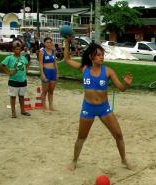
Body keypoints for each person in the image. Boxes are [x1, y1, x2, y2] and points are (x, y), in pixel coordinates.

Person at [63, 37, 133, 170]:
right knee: (81, 137)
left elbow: (121, 88)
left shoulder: (108, 71)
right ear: (91, 57)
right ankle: (74, 161)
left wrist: (126, 84)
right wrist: (67, 42)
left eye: (103, 55)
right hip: (88, 108)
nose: (102, 57)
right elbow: (67, 59)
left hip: (103, 108)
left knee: (118, 135)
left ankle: (124, 160)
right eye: (99, 55)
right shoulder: (84, 68)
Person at [0, 40, 31, 118]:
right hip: (13, 80)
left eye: (19, 49)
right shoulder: (9, 58)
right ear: (13, 50)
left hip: (23, 80)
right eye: (16, 49)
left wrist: (26, 70)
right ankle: (13, 112)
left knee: (21, 96)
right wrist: (8, 72)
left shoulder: (23, 58)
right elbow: (1, 65)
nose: (18, 50)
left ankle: (23, 110)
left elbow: (27, 63)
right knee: (13, 96)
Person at [39, 37, 58, 112]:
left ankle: (51, 106)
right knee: (45, 90)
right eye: (47, 42)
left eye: (50, 42)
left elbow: (55, 63)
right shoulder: (42, 51)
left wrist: (57, 73)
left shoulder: (53, 51)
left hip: (53, 72)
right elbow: (40, 63)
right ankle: (44, 107)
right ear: (44, 43)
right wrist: (42, 74)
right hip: (46, 71)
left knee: (51, 91)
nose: (49, 43)